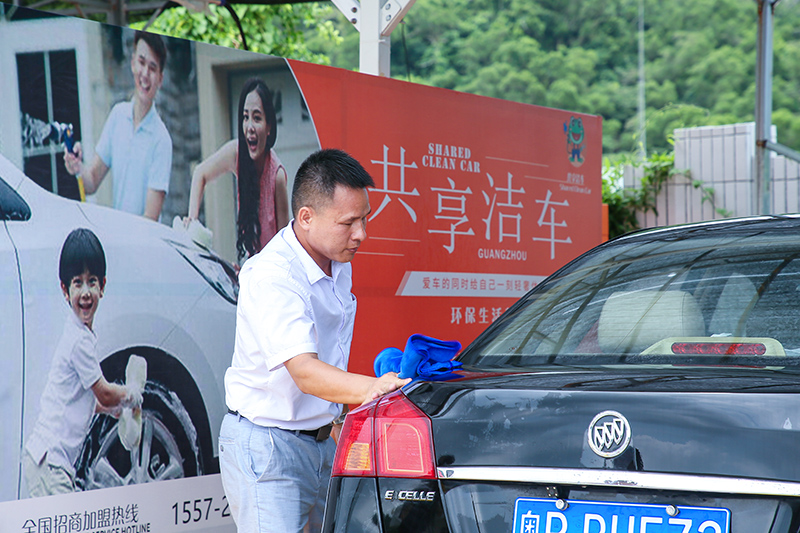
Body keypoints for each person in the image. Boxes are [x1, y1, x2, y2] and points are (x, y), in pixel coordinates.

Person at [219, 148, 410, 532]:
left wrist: (337, 419)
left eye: (365, 219)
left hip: (323, 443)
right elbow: (304, 371)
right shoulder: (274, 275)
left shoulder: (337, 261)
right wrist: (373, 388)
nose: (361, 234)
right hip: (270, 447)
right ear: (306, 218)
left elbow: (330, 352)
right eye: (348, 223)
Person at [23, 228, 142, 497]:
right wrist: (131, 395)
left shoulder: (82, 336)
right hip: (50, 463)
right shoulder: (79, 342)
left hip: (46, 459)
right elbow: (104, 392)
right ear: (65, 290)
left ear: (103, 286)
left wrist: (111, 410)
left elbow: (83, 399)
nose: (86, 292)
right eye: (77, 282)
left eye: (92, 282)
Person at [64, 31, 172, 222]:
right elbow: (91, 182)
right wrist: (78, 167)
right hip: (117, 234)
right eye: (141, 62)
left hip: (142, 239)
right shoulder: (117, 115)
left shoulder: (161, 140)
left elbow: (151, 219)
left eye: (152, 68)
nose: (145, 74)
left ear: (160, 79)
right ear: (132, 63)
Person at [185, 77, 290, 260]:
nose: (249, 127)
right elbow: (200, 173)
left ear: (269, 127)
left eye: (257, 118)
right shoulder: (237, 153)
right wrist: (192, 220)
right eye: (245, 117)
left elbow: (286, 246)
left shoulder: (277, 176)